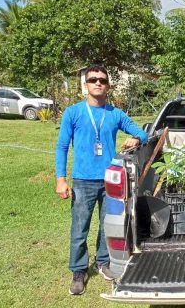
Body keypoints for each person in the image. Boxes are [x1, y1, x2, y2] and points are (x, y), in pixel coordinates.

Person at [55, 64, 148, 295]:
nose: (98, 83)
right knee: (80, 227)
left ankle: (103, 261)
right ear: (85, 85)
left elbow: (143, 133)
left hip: (110, 181)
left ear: (107, 86)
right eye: (94, 79)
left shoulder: (115, 113)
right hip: (83, 180)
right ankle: (78, 269)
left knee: (108, 225)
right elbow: (62, 146)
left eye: (103, 80)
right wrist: (60, 179)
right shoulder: (73, 112)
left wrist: (135, 138)